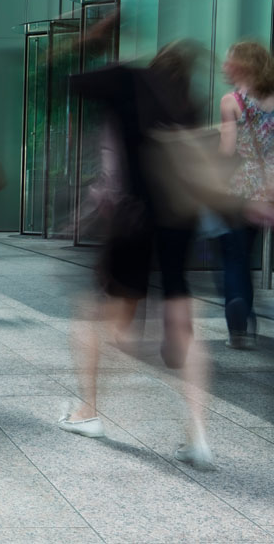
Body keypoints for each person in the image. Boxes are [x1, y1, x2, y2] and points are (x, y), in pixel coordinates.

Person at [59, 41, 274, 469]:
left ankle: (89, 411)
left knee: (99, 318)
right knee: (183, 327)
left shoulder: (130, 85)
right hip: (178, 223)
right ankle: (198, 435)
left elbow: (71, 83)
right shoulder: (190, 105)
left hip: (133, 221)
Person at [217, 41, 274, 349]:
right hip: (268, 186)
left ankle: (239, 324)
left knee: (234, 257)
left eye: (229, 61)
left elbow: (227, 152)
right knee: (246, 254)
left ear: (242, 66)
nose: (225, 66)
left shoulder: (232, 101)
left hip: (239, 188)